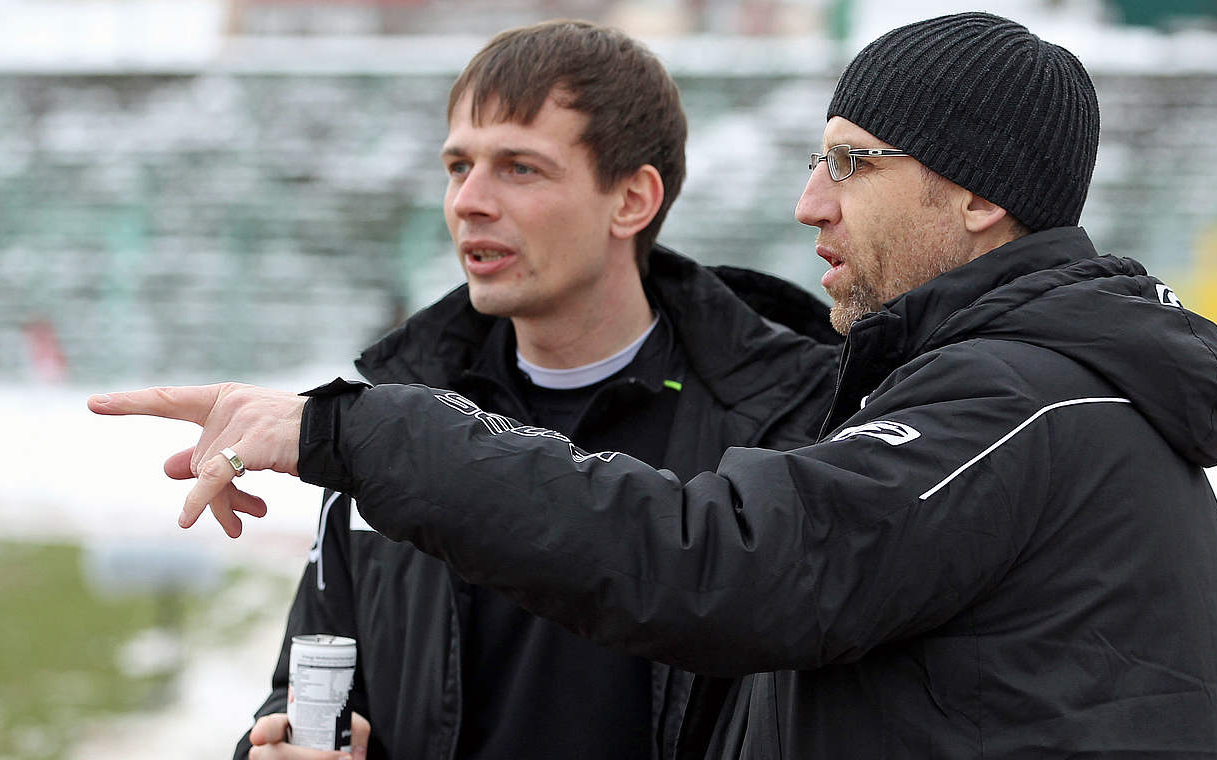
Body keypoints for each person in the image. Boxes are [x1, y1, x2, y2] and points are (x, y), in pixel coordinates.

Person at [92, 12, 1217, 758]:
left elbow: (718, 565)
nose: (810, 202)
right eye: (457, 165)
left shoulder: (997, 411)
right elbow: (315, 684)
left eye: (849, 165)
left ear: (978, 195)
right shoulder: (1004, 394)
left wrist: (353, 433)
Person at [217, 19, 840, 760]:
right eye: (457, 167)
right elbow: (313, 681)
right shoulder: (383, 416)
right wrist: (285, 743)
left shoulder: (785, 429)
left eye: (519, 168)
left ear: (632, 200)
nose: (468, 201)